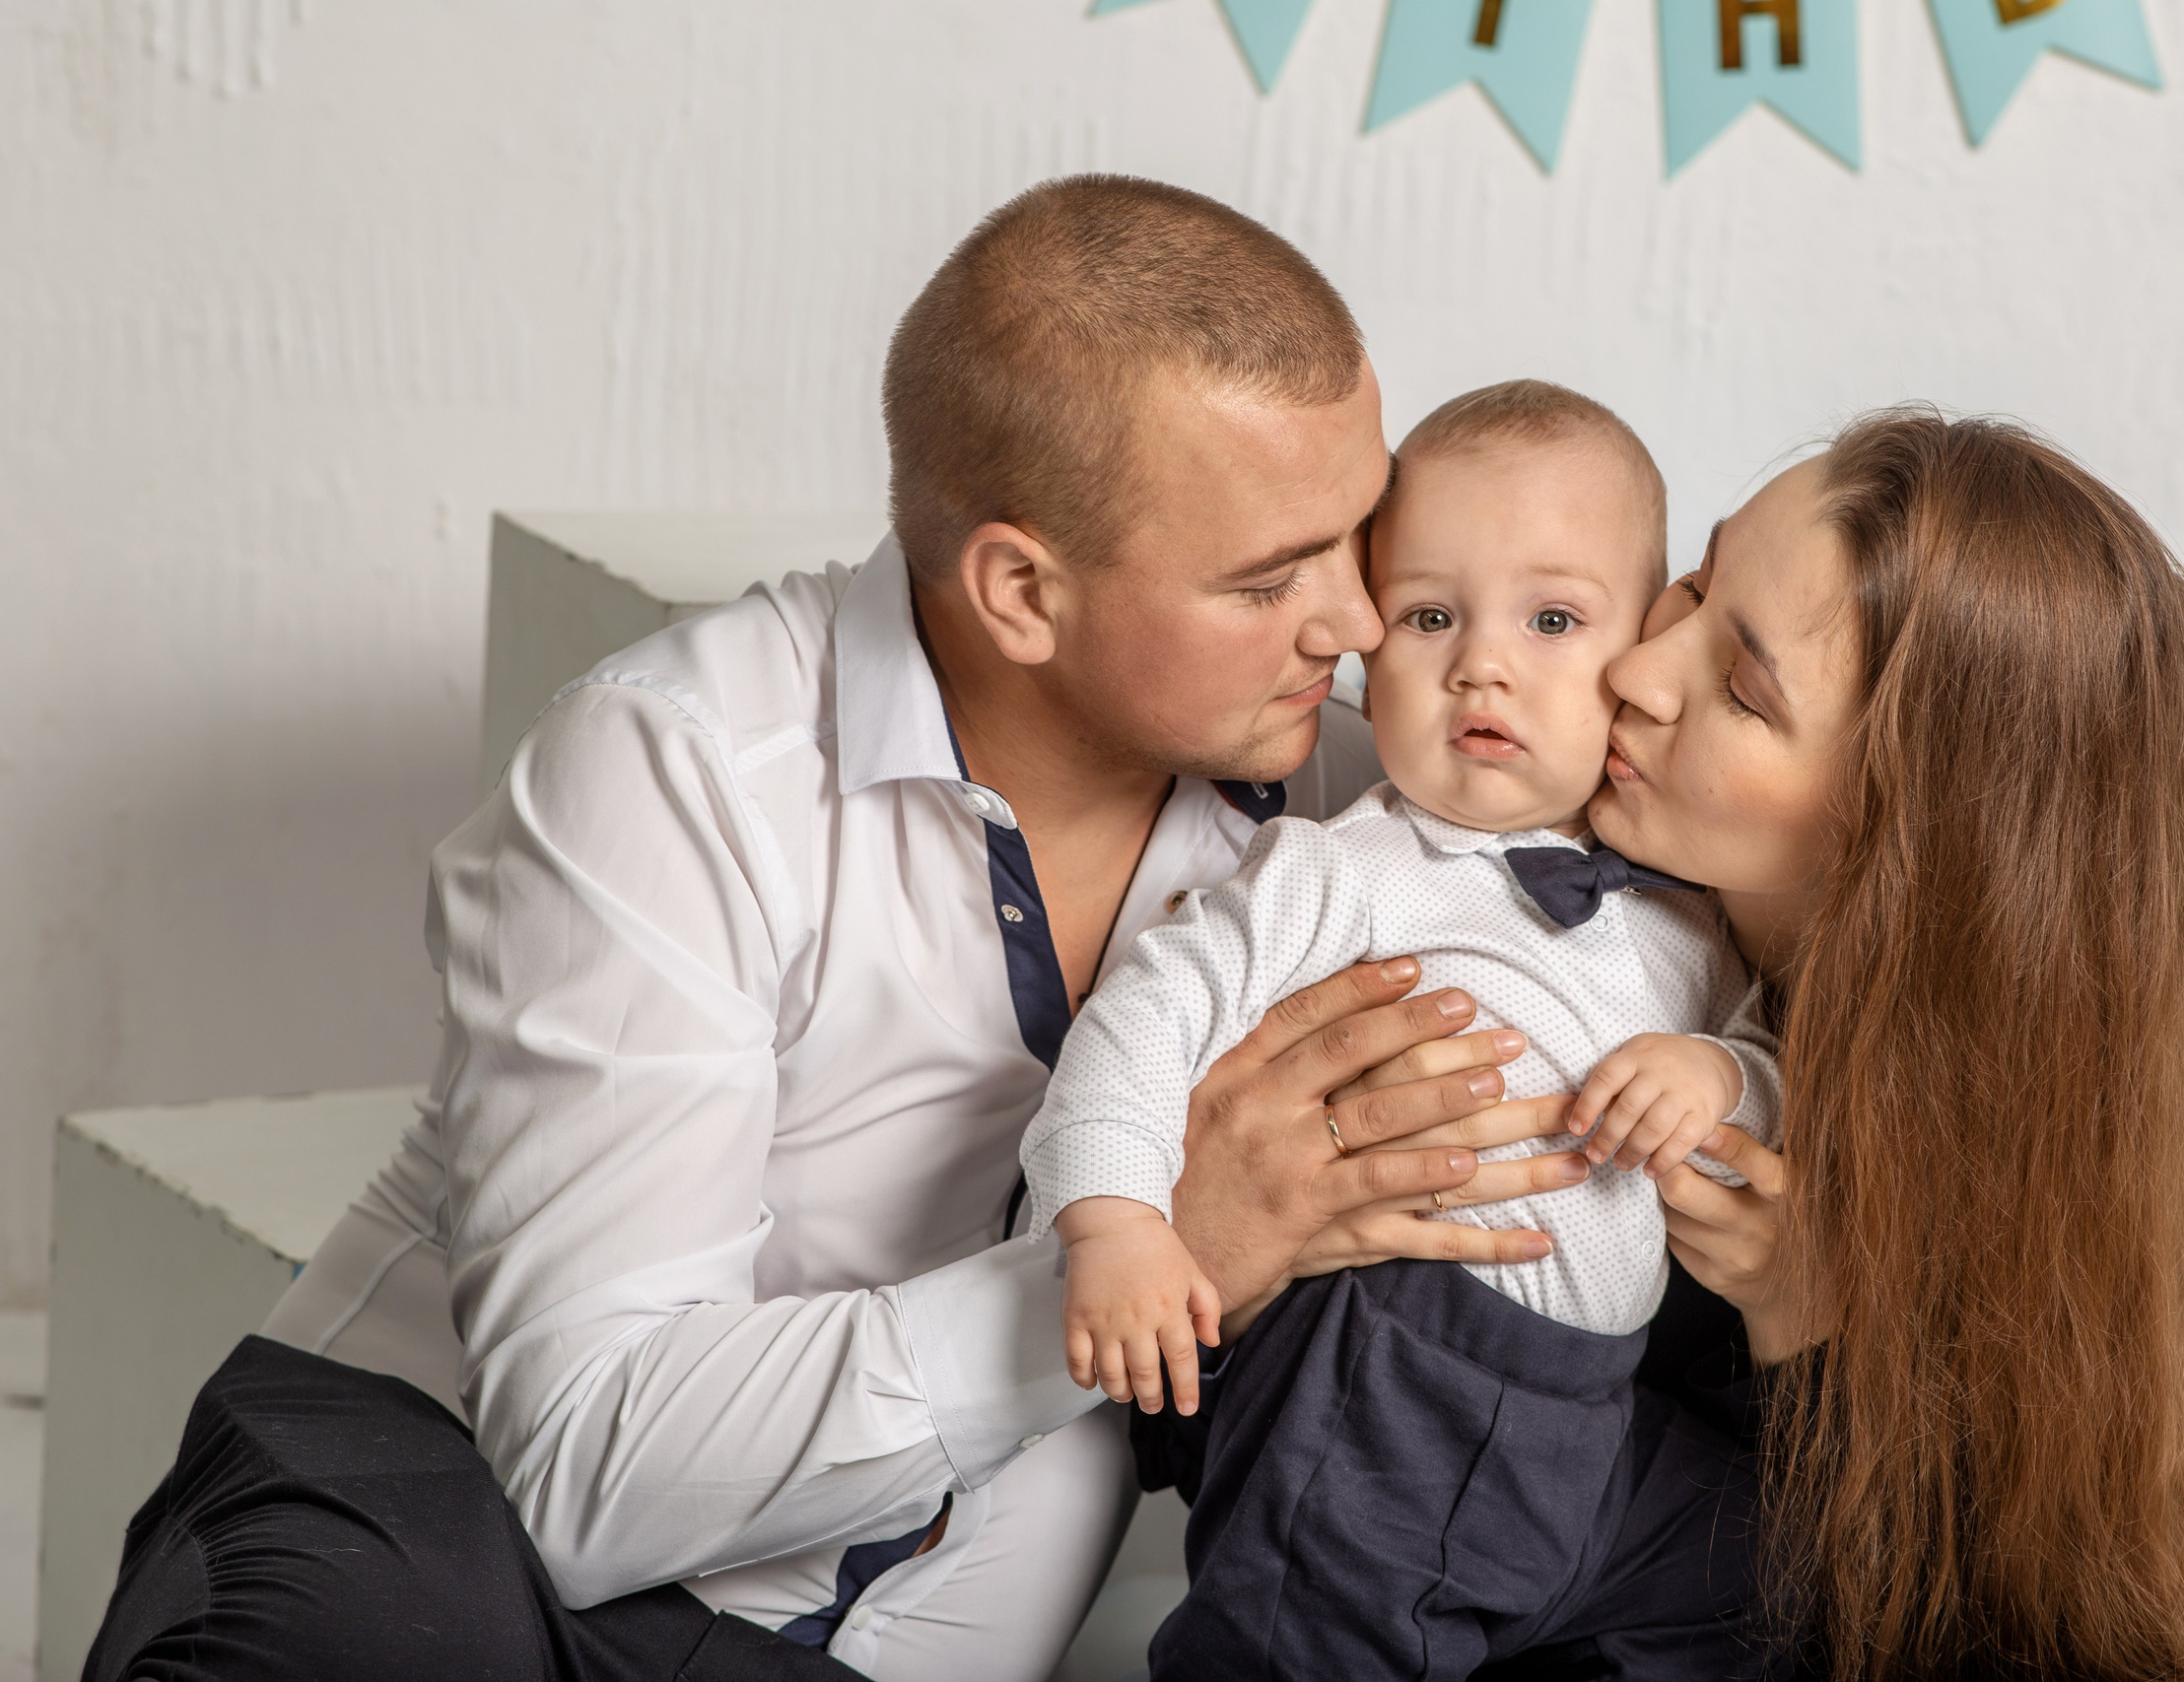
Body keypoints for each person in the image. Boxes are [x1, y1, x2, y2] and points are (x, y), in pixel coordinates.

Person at [79, 177, 1594, 1682]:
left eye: (1360, 535)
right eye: (1269, 578)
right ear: (1020, 591)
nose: (1353, 623)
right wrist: (1153, 1247)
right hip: (449, 1534)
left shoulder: (1370, 792)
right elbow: (593, 1468)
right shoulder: (675, 768)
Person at [1025, 378, 1784, 1679]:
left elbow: (1775, 1079)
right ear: (1369, 659)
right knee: (1304, 1647)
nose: (1482, 661)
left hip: (1585, 1401)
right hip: (1391, 1365)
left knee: (1769, 1579)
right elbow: (1152, 1012)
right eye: (1429, 615)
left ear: (1644, 656)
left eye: (1552, 619)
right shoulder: (1350, 867)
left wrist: (1715, 1076)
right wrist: (1113, 1219)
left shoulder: (1688, 907)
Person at [1572, 407, 2184, 1679]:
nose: (1638, 671)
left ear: (1905, 830)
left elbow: (2017, 1631)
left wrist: (1805, 1330)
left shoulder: (2040, 1143)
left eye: (1740, 688)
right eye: (1692, 582)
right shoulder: (1523, 867)